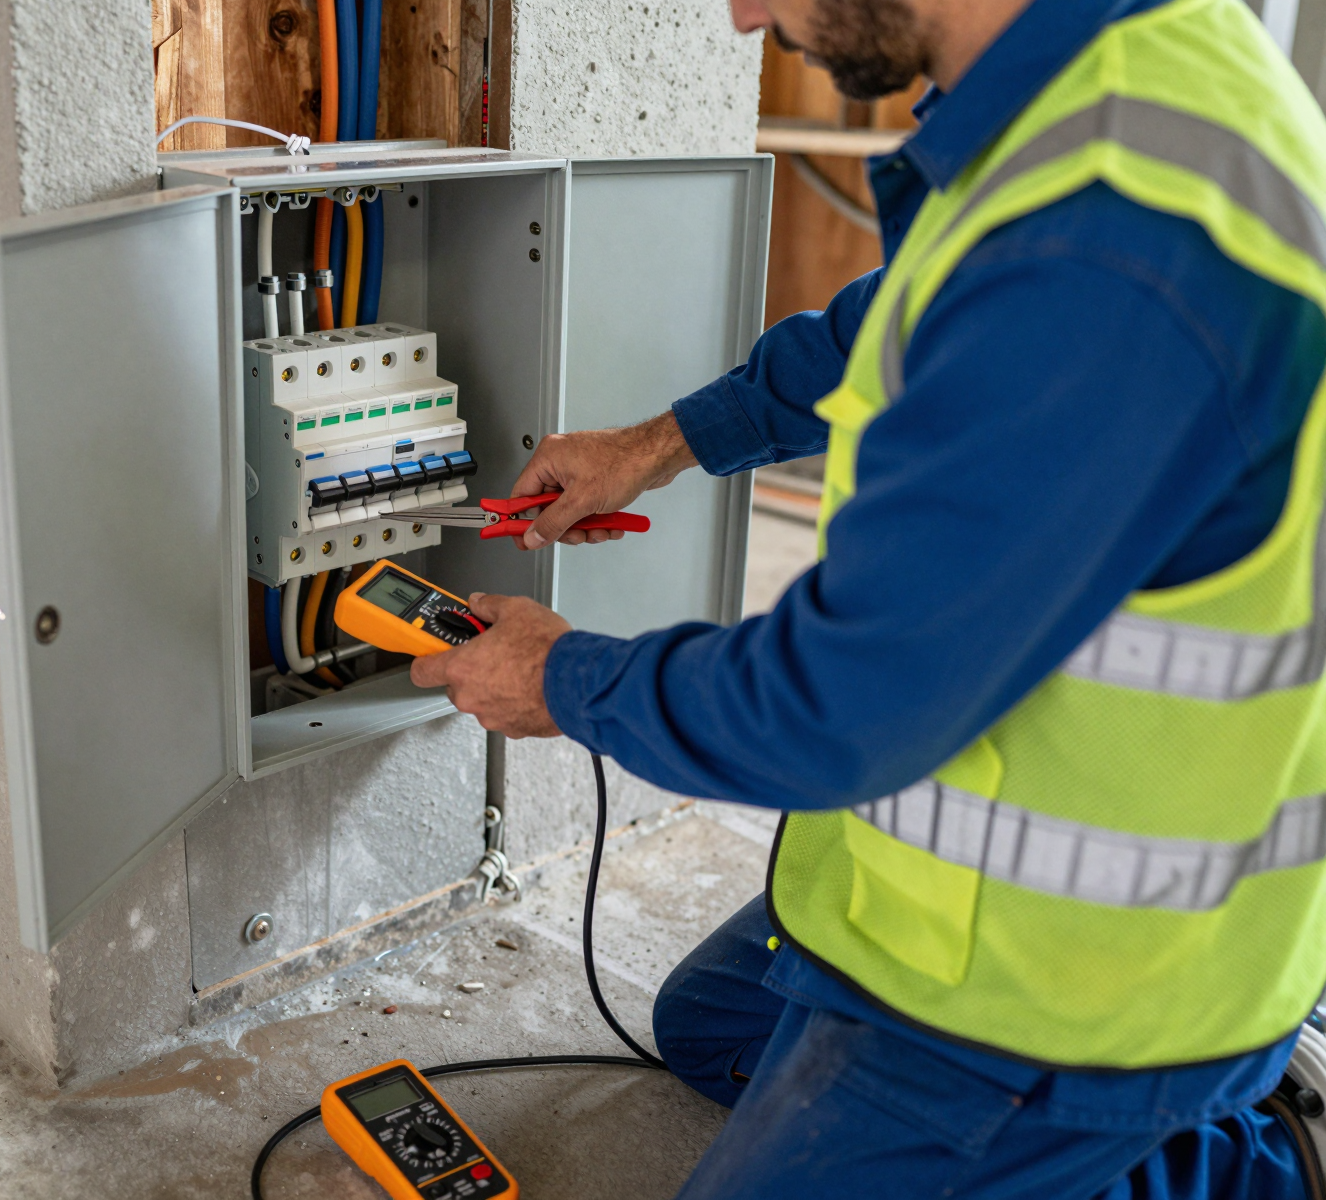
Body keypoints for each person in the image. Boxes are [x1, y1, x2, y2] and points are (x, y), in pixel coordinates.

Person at [410, 0, 1326, 1195]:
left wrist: (556, 677)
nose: (743, 16)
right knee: (712, 1027)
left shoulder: (1109, 234)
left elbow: (833, 705)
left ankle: (1216, 1156)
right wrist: (658, 444)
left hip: (1074, 996)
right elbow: (899, 322)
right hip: (940, 888)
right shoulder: (1096, 88)